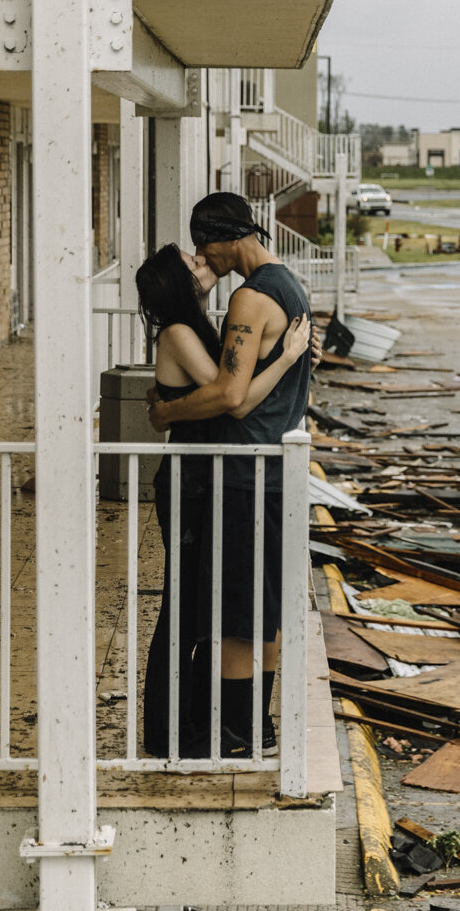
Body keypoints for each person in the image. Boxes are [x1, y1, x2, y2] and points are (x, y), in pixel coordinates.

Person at [147, 192, 316, 757]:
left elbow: (231, 397)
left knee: (235, 613)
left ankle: (237, 734)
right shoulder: (291, 287)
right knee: (261, 605)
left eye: (204, 246)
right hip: (276, 470)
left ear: (225, 237)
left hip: (242, 473)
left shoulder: (249, 297)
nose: (204, 258)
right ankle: (258, 728)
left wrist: (167, 412)